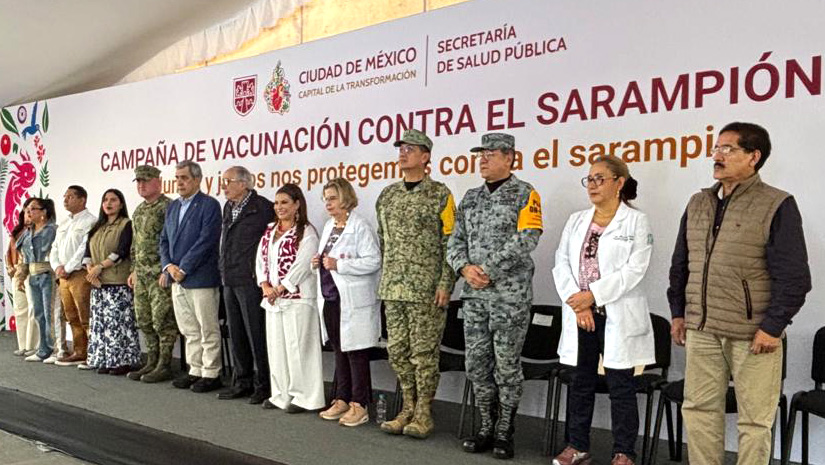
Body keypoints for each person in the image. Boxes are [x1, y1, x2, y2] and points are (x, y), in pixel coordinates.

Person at [667, 122, 811, 465]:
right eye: (716, 148)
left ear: (753, 157)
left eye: (727, 149)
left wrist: (773, 326)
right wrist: (678, 312)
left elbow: (795, 277)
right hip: (701, 330)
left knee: (755, 421)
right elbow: (681, 263)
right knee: (699, 410)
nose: (717, 156)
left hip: (753, 334)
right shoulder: (698, 202)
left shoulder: (776, 204)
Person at [551, 156, 655, 465]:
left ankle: (624, 452)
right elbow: (561, 262)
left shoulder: (636, 221)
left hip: (616, 314)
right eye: (589, 179)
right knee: (580, 382)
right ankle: (577, 446)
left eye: (600, 179)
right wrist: (578, 302)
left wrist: (593, 296)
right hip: (581, 314)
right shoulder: (576, 220)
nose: (593, 185)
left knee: (620, 385)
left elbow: (634, 270)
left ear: (619, 183)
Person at [447, 132, 543, 459]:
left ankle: (504, 431)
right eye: (481, 154)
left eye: (490, 154)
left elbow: (527, 238)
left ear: (509, 158)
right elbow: (455, 241)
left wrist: (487, 269)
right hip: (474, 297)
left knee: (506, 366)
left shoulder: (525, 193)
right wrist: (464, 268)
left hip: (509, 298)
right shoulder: (471, 197)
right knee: (476, 364)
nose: (483, 160)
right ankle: (486, 426)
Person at [375, 129, 456, 439]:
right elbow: (384, 240)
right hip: (393, 288)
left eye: (410, 149)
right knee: (397, 351)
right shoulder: (388, 195)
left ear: (425, 156)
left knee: (423, 354)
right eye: (401, 148)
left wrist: (446, 282)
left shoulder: (440, 194)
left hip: (426, 290)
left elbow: (451, 242)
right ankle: (407, 406)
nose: (403, 153)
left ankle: (423, 412)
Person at [313, 178, 381, 427]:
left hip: (352, 300)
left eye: (332, 198)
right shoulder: (329, 226)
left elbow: (374, 261)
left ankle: (359, 405)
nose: (328, 203)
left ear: (345, 198)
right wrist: (317, 262)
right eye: (326, 199)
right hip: (331, 298)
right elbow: (326, 258)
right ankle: (341, 398)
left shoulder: (360, 226)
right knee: (339, 351)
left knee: (356, 352)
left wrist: (339, 264)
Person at [256, 183, 323, 413]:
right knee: (277, 350)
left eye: (284, 202)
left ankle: (305, 397)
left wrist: (280, 288)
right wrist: (265, 285)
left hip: (298, 299)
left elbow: (302, 265)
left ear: (297, 205)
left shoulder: (307, 232)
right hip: (273, 300)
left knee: (299, 350)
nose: (279, 207)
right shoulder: (269, 230)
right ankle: (280, 395)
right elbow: (260, 261)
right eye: (276, 203)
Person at [160, 160, 223, 393]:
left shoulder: (209, 205)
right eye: (177, 178)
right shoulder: (173, 206)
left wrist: (183, 268)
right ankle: (195, 369)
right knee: (189, 329)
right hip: (177, 279)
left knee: (207, 328)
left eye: (184, 178)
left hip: (200, 277)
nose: (179, 182)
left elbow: (206, 240)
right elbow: (163, 240)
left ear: (197, 179)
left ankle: (211, 373)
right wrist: (168, 266)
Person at [217, 166, 274, 404]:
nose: (223, 187)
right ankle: (242, 381)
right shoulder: (228, 207)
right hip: (229, 278)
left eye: (227, 181)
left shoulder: (262, 208)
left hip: (250, 280)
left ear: (243, 183)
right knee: (237, 333)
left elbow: (270, 245)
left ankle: (264, 385)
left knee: (256, 334)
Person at [126, 165, 178, 383]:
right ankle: (151, 361)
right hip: (142, 276)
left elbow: (174, 242)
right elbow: (135, 244)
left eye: (146, 181)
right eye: (138, 181)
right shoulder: (139, 210)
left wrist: (168, 268)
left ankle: (164, 365)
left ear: (158, 181)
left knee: (162, 321)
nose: (141, 185)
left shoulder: (169, 207)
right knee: (144, 320)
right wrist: (134, 269)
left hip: (160, 274)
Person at [82, 189, 141, 375]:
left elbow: (122, 251)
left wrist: (100, 267)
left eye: (113, 200)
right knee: (101, 324)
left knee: (118, 324)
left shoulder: (126, 224)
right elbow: (87, 252)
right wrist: (91, 270)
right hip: (98, 284)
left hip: (117, 283)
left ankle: (122, 361)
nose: (108, 203)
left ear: (121, 204)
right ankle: (104, 360)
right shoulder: (96, 226)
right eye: (105, 200)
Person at [49, 185, 97, 366]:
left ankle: (93, 354)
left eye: (70, 197)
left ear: (82, 199)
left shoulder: (90, 221)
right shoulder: (64, 222)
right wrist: (57, 267)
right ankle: (80, 352)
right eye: (65, 196)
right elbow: (54, 248)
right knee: (71, 316)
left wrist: (67, 268)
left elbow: (84, 249)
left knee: (86, 316)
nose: (65, 200)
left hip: (79, 274)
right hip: (63, 276)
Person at [19, 198, 58, 363]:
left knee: (50, 313)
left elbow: (57, 253)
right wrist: (21, 276)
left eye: (33, 208)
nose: (28, 211)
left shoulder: (52, 230)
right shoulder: (28, 232)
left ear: (44, 212)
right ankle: (43, 348)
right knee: (38, 313)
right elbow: (25, 257)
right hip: (33, 276)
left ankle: (56, 348)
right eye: (27, 208)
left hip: (48, 275)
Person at [6, 198, 39, 356]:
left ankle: (34, 345)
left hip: (32, 273)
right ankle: (23, 345)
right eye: (26, 212)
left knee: (33, 308)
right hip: (17, 274)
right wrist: (10, 267)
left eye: (32, 211)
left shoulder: (41, 232)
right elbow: (9, 253)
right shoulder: (17, 232)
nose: (29, 215)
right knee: (20, 309)